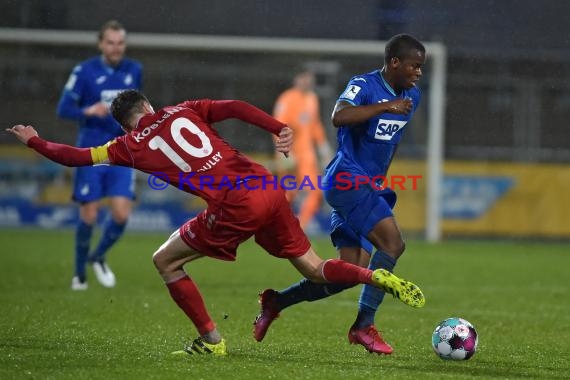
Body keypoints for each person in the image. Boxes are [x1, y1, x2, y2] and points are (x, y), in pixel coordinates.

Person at [6, 90, 424, 356]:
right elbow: (235, 107)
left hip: (234, 206)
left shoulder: (126, 145)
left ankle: (211, 341)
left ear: (126, 123)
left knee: (166, 261)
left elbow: (75, 157)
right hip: (266, 185)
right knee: (315, 267)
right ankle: (372, 276)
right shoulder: (184, 109)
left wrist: (35, 141)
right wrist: (277, 127)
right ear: (149, 106)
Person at [253, 34, 426, 355]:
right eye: (414, 66)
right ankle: (363, 325)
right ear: (394, 63)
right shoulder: (364, 85)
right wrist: (386, 106)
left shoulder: (411, 95)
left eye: (422, 67)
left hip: (365, 186)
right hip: (347, 179)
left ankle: (277, 301)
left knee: (348, 273)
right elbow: (339, 116)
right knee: (392, 244)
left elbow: (383, 143)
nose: (418, 73)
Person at [56, 20, 143, 290]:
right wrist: (87, 111)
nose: (116, 48)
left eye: (120, 43)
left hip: (122, 151)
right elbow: (63, 109)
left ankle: (98, 256)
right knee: (89, 215)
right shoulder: (84, 71)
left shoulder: (134, 70)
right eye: (111, 43)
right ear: (100, 44)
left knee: (120, 214)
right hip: (91, 151)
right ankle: (79, 274)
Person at [273, 70, 333, 231]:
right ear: (296, 79)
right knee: (288, 193)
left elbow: (315, 125)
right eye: (304, 78)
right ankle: (275, 224)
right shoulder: (287, 98)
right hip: (288, 153)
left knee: (315, 191)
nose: (307, 82)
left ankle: (300, 226)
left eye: (309, 79)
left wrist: (323, 147)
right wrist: (283, 150)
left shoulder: (312, 99)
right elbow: (277, 126)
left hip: (307, 155)